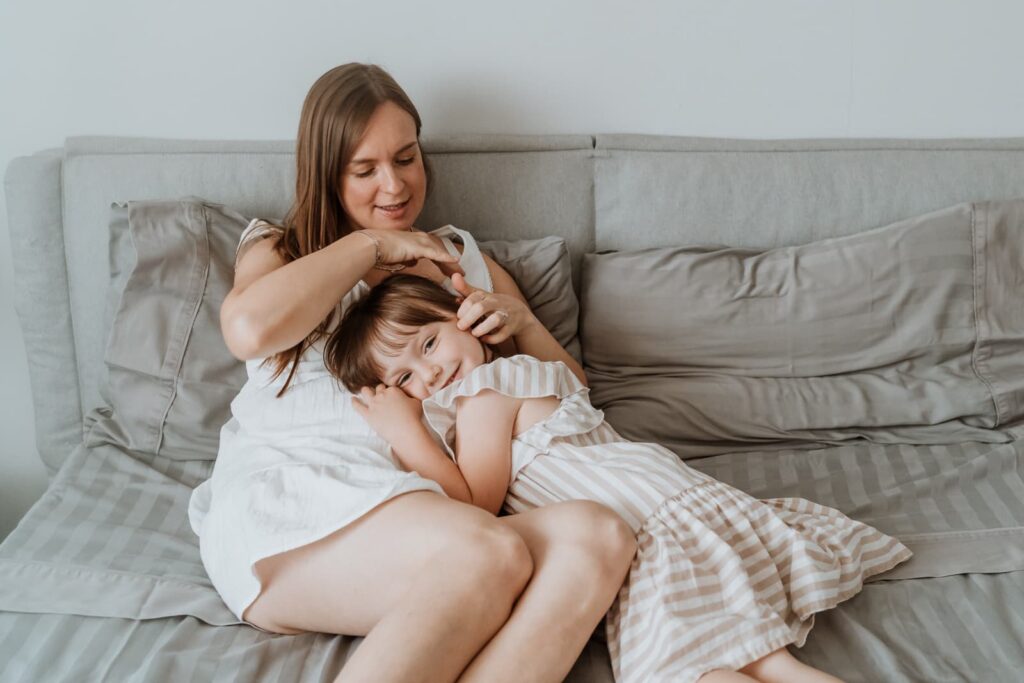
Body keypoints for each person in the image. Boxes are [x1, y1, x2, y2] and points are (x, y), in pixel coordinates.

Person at [188, 63, 637, 683]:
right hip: (291, 507)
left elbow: (572, 396)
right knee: (489, 548)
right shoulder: (282, 248)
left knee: (602, 536)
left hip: (426, 512)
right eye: (364, 169)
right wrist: (372, 247)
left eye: (406, 158)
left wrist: (523, 324)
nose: (394, 187)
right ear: (327, 173)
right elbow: (248, 331)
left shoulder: (460, 260)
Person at [324, 274, 914, 683]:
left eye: (428, 344)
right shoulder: (533, 373)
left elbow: (473, 506)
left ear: (465, 318)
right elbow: (577, 377)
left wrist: (410, 435)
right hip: (680, 499)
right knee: (769, 661)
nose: (429, 374)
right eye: (404, 380)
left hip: (645, 532)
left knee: (694, 670)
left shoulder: (483, 395)